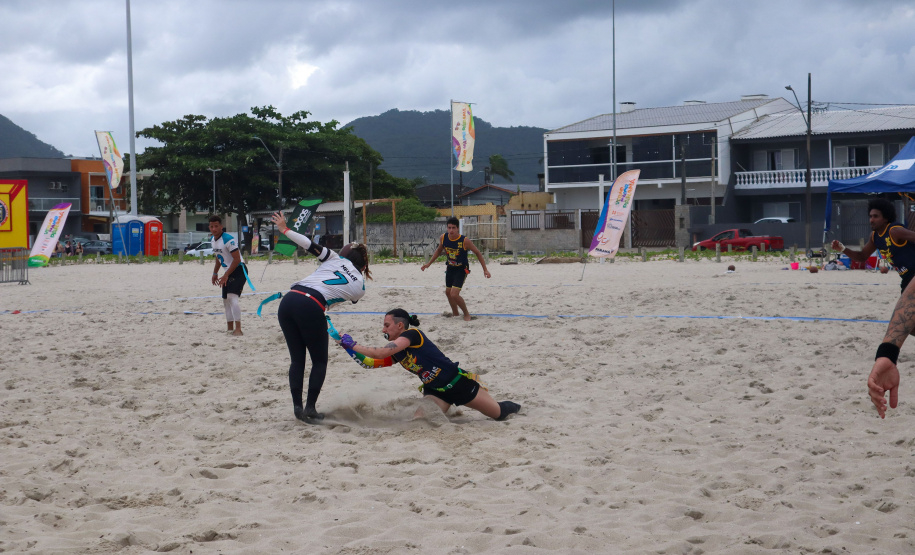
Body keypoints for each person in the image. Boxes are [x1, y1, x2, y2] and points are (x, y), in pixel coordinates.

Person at [269, 211, 372, 423]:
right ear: (363, 267)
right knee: (319, 361)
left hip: (288, 300)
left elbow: (308, 244)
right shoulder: (360, 287)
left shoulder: (334, 258)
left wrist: (284, 229)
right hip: (311, 305)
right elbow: (350, 296)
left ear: (344, 255)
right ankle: (310, 408)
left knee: (297, 359)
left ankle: (297, 408)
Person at [337, 309, 521, 421]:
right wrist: (347, 347)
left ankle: (516, 406)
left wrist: (353, 344)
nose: (383, 329)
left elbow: (381, 353)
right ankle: (447, 409)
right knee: (420, 422)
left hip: (457, 383)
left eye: (386, 325)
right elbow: (369, 363)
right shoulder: (397, 353)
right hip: (436, 392)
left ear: (400, 326)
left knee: (498, 414)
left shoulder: (412, 335)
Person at [832, 198, 915, 292]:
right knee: (904, 301)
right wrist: (843, 249)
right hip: (907, 279)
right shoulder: (874, 236)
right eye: (870, 216)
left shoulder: (894, 231)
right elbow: (862, 257)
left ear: (886, 218)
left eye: (875, 216)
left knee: (905, 301)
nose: (871, 220)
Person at [420, 217, 491, 321]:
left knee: (454, 294)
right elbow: (439, 250)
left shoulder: (464, 240)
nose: (451, 230)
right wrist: (428, 264)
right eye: (449, 228)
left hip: (462, 269)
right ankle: (455, 313)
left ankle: (466, 314)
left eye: (453, 228)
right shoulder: (443, 237)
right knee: (448, 292)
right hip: (450, 268)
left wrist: (485, 269)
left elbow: (478, 253)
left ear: (458, 228)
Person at [209, 215, 248, 336]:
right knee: (225, 300)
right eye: (211, 226)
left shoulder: (228, 239)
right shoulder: (213, 240)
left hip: (239, 270)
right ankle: (230, 328)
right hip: (228, 271)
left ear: (221, 226)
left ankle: (238, 329)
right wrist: (215, 273)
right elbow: (218, 257)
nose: (214, 229)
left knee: (232, 298)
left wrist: (226, 275)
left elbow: (237, 259)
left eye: (216, 226)